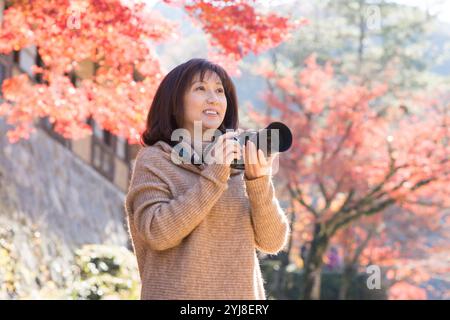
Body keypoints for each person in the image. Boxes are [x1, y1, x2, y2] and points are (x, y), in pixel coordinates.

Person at [124, 58, 290, 300]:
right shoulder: (155, 160)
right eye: (200, 88)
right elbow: (157, 234)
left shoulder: (239, 162)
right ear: (174, 102)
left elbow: (273, 241)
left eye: (220, 90)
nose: (213, 98)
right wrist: (214, 174)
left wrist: (258, 181)